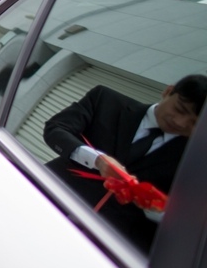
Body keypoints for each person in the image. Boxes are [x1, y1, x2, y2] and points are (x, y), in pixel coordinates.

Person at [44, 74, 207, 252]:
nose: (180, 122)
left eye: (194, 124)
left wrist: (156, 210)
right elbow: (56, 128)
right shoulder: (107, 101)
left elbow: (186, 224)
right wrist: (97, 159)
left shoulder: (194, 163)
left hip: (103, 251)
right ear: (168, 91)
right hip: (42, 202)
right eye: (180, 109)